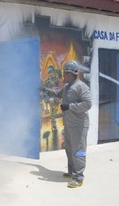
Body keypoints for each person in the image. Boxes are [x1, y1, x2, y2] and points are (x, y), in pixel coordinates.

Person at [43, 60, 92, 188]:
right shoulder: (66, 87)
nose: (63, 75)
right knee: (69, 149)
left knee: (79, 151)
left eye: (65, 73)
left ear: (70, 74)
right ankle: (71, 172)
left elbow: (87, 104)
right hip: (69, 125)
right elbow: (56, 93)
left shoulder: (81, 86)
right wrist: (43, 89)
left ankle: (78, 177)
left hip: (79, 125)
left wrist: (70, 106)